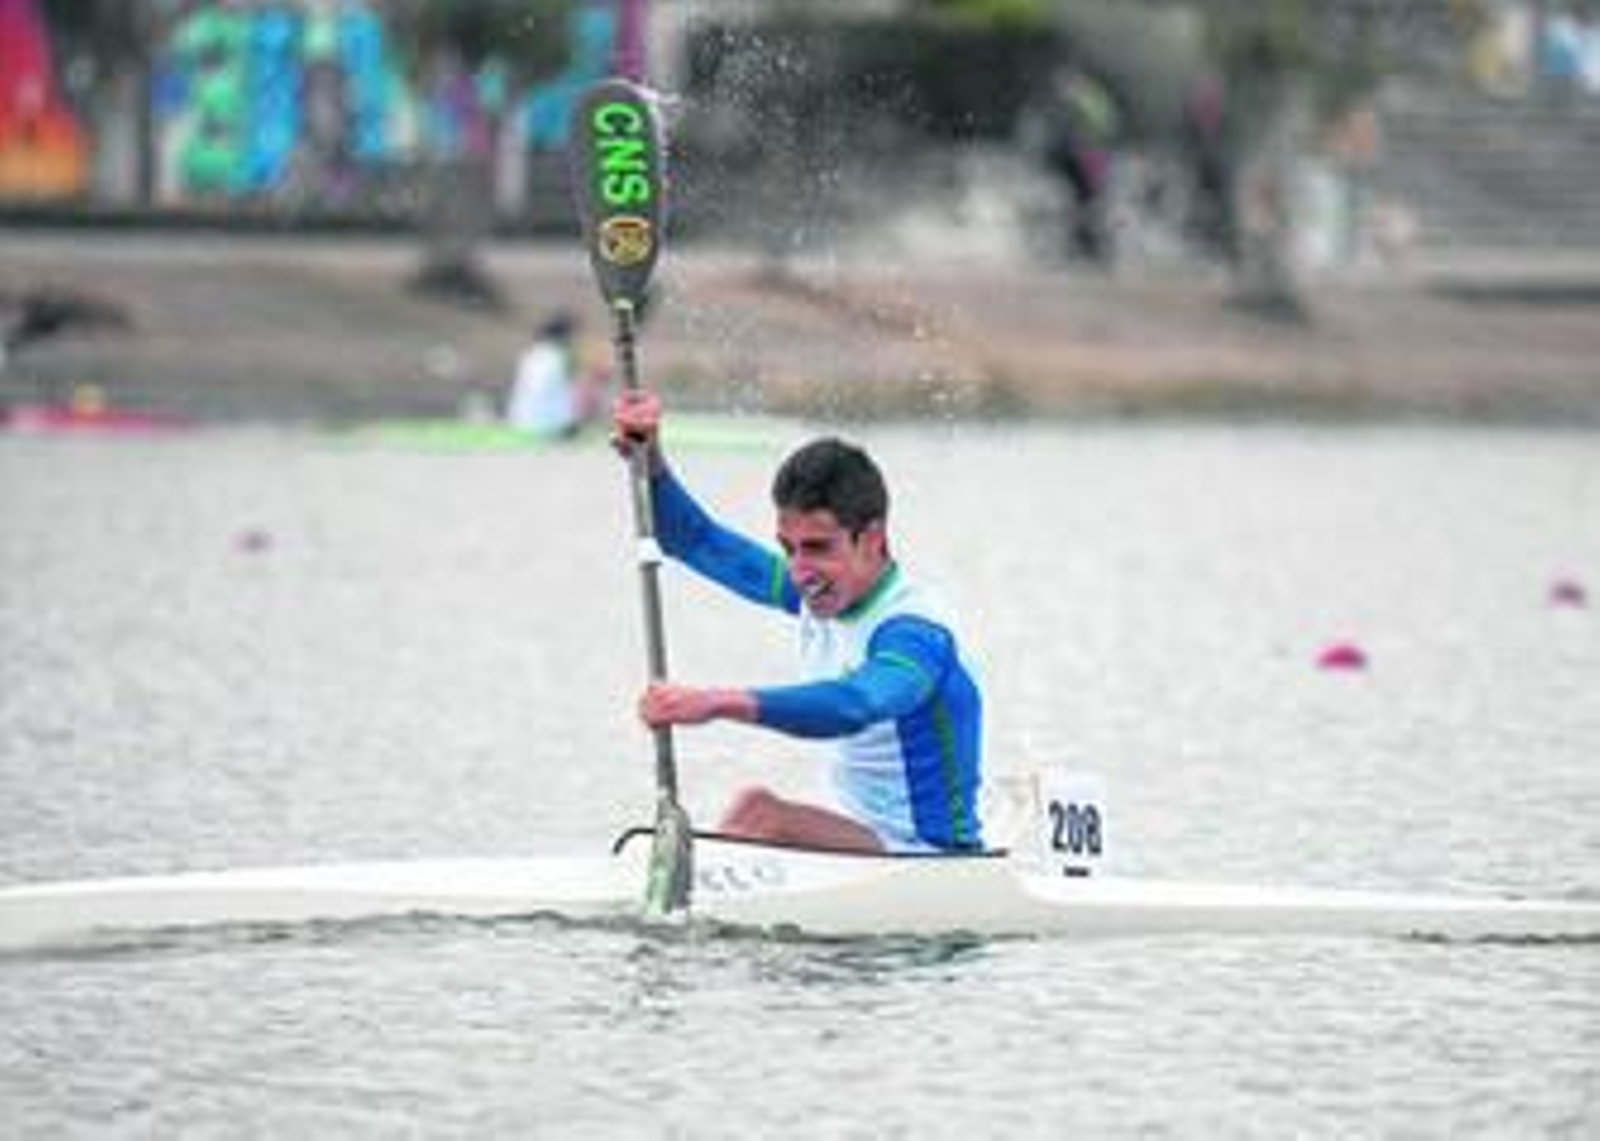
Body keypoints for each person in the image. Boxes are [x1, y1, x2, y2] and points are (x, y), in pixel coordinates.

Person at [612, 391, 985, 854]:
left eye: (817, 548)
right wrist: (650, 461)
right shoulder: (817, 589)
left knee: (760, 814)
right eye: (788, 548)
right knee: (756, 814)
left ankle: (687, 912)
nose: (799, 570)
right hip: (864, 839)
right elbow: (697, 540)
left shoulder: (914, 635)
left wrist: (714, 702)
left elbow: (854, 705)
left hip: (929, 853)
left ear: (871, 538)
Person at [505, 311, 596, 437]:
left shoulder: (532, 353)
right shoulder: (555, 357)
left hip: (521, 420)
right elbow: (543, 393)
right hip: (547, 425)